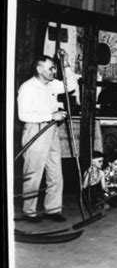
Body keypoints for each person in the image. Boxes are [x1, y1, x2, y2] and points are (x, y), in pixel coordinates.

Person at [17, 49, 78, 223]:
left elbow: (71, 86)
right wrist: (51, 115)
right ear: (39, 69)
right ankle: (29, 211)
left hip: (51, 131)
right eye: (51, 68)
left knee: (55, 171)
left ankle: (53, 209)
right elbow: (23, 115)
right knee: (33, 173)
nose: (54, 71)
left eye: (54, 68)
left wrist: (65, 63)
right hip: (35, 131)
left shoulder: (51, 85)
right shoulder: (28, 88)